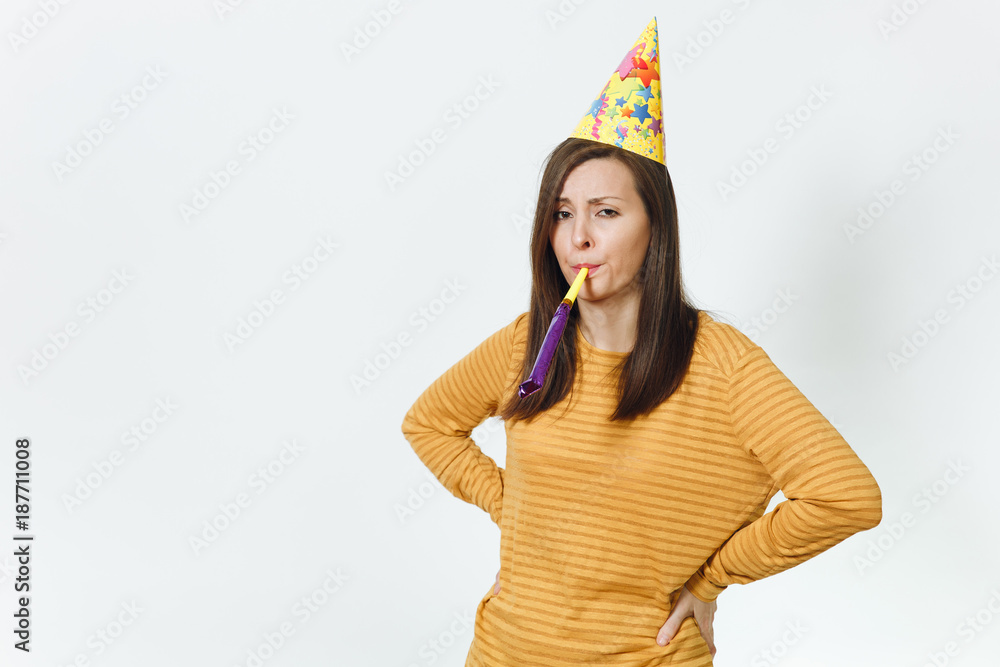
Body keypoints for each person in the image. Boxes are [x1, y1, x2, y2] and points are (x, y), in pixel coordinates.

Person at [401, 18, 882, 666]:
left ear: (655, 228)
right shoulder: (527, 342)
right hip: (504, 650)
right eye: (562, 213)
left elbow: (845, 497)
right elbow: (428, 423)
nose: (579, 237)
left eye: (606, 211)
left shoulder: (724, 365)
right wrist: (513, 508)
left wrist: (713, 577)